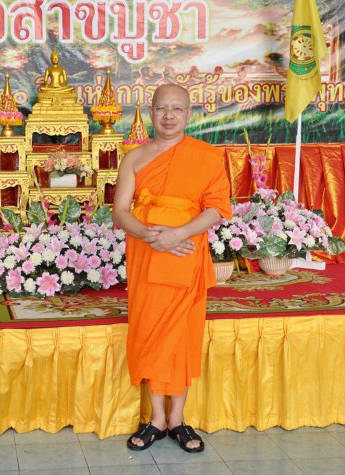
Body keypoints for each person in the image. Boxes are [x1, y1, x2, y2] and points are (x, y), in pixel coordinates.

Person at [113, 83, 231, 453]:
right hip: (147, 253)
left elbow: (216, 208)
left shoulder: (206, 156)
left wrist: (178, 233)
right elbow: (120, 212)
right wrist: (152, 236)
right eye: (162, 108)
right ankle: (156, 419)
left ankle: (177, 419)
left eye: (177, 109)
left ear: (188, 114)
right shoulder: (134, 158)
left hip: (185, 252)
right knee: (150, 331)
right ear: (151, 112)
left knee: (181, 334)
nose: (169, 116)